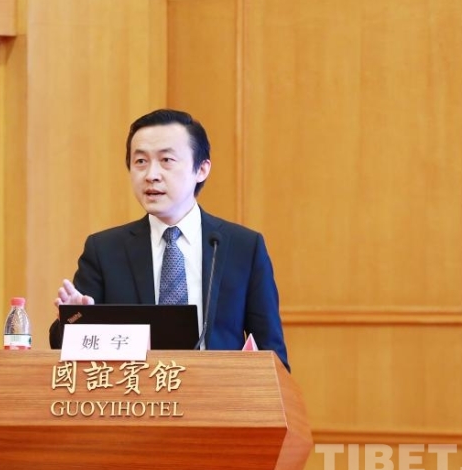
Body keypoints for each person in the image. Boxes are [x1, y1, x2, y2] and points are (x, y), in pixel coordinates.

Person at [49, 108, 290, 370]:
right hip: (134, 391)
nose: (151, 175)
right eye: (140, 161)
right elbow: (61, 345)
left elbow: (272, 356)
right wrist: (75, 317)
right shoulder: (104, 250)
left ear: (201, 169)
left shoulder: (243, 247)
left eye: (166, 160)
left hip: (217, 392)